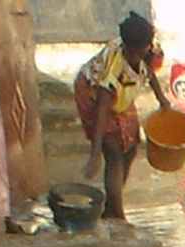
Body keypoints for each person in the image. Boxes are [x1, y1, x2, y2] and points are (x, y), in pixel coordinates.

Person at [74, 12, 172, 220]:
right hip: (92, 94)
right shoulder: (112, 72)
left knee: (130, 148)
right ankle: (116, 214)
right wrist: (95, 153)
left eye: (142, 52)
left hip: (123, 94)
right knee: (114, 152)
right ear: (127, 48)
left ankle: (111, 206)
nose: (139, 57)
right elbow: (101, 112)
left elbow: (149, 71)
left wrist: (162, 99)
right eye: (135, 54)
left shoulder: (148, 48)